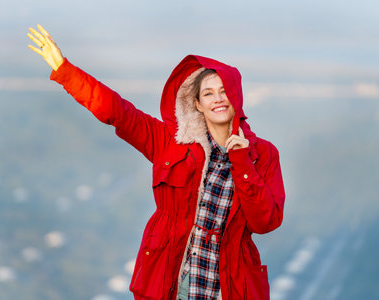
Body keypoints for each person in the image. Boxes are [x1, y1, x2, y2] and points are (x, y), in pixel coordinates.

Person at [28, 24, 285, 300]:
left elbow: (265, 222)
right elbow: (118, 112)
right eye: (208, 93)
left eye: (223, 91)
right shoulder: (169, 141)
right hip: (175, 281)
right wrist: (65, 71)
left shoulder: (263, 154)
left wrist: (242, 163)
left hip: (230, 288)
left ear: (236, 96)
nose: (218, 99)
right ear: (197, 104)